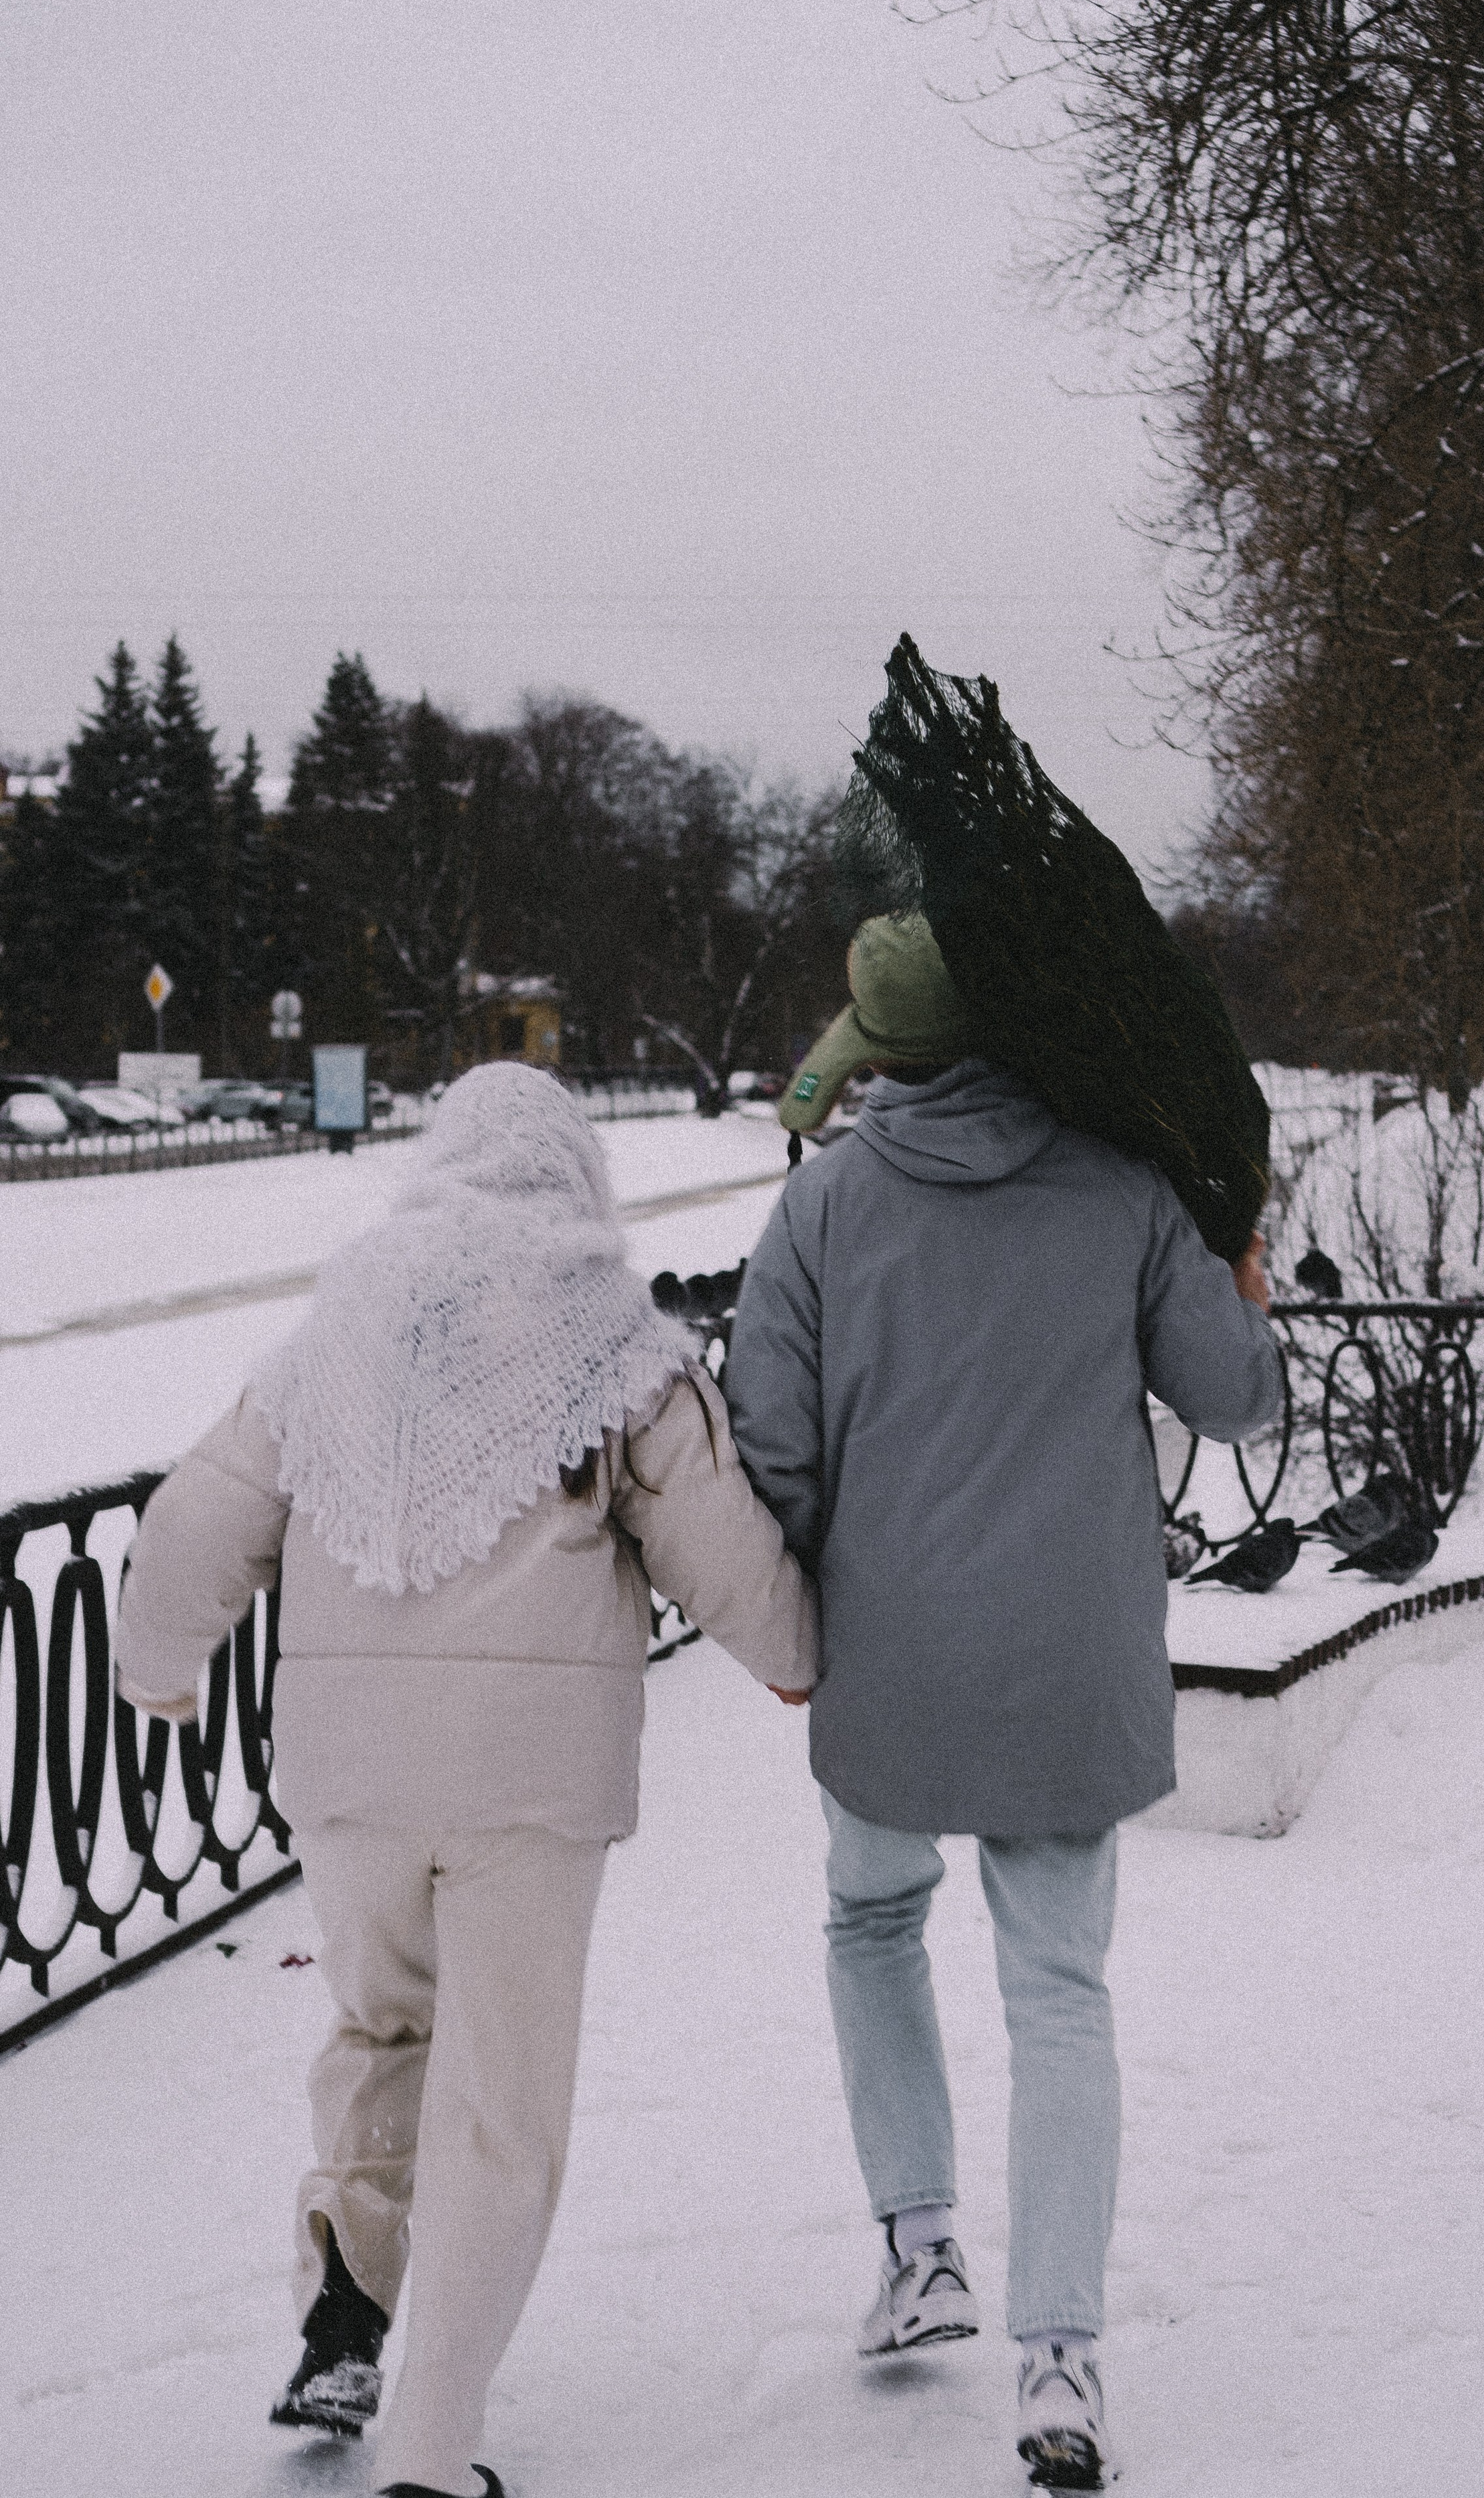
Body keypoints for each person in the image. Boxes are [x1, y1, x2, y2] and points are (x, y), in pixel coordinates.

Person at [114, 1062, 817, 2498]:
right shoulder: (618, 1345)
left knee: (380, 2028)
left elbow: (205, 1514)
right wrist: (795, 1656)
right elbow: (717, 1543)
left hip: (348, 1775)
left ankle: (348, 2303)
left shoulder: (343, 1326)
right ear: (572, 1175)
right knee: (499, 2100)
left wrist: (156, 1662)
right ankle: (432, 2449)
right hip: (529, 1789)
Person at [722, 913, 1279, 2492]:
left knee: (871, 1918)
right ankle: (1058, 2363)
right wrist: (1237, 1274)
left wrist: (798, 1617)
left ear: (874, 1052)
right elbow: (1232, 1399)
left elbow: (769, 1455)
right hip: (1066, 1661)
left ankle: (919, 2251)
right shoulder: (1120, 1186)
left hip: (885, 1657)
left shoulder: (821, 1209)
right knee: (1058, 1992)